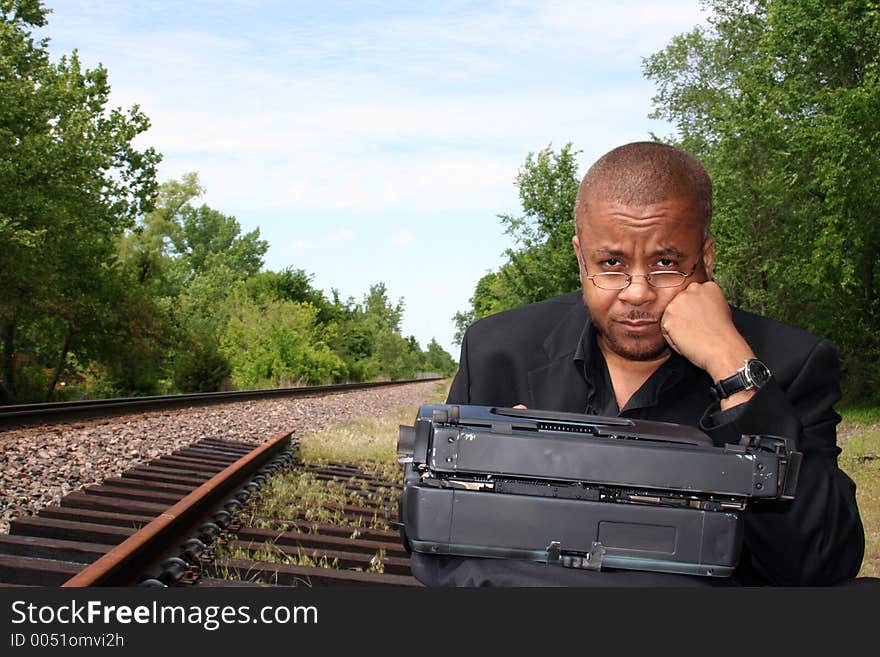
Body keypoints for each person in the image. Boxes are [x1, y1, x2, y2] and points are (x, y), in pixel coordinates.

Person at [410, 141, 865, 587]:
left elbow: (821, 564)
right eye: (611, 263)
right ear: (580, 257)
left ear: (705, 260)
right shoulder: (498, 351)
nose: (637, 292)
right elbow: (424, 534)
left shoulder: (790, 363)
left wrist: (735, 372)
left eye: (666, 263)